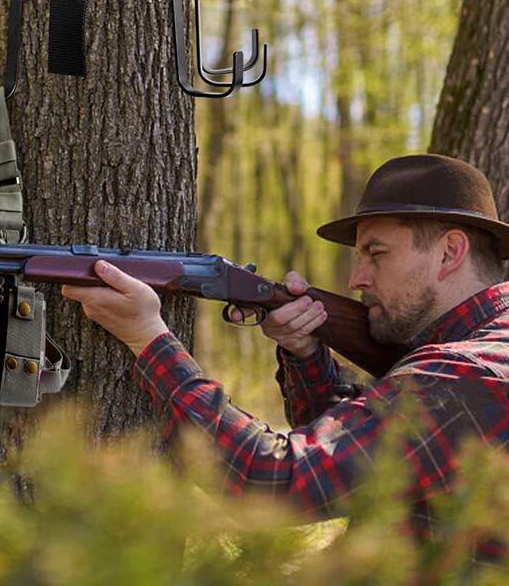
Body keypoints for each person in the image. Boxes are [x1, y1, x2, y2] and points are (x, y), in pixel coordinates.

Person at [61, 154, 509, 565]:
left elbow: (272, 485)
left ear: (450, 252)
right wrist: (306, 354)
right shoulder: (484, 355)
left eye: (377, 254)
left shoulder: (467, 375)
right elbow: (365, 458)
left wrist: (149, 340)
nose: (357, 279)